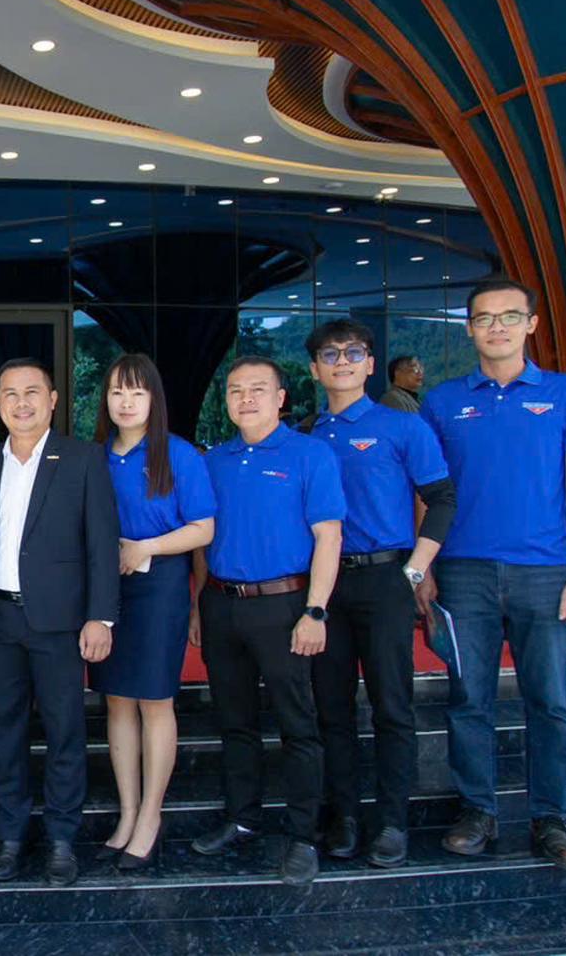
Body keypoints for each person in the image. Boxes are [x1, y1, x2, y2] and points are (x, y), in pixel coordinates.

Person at [419, 279, 566, 873]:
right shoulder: (443, 401)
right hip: (462, 570)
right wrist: (423, 568)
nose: (496, 327)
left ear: (531, 324)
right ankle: (478, 810)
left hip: (545, 571)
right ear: (469, 328)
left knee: (549, 701)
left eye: (509, 316)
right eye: (484, 318)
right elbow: (427, 493)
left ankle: (551, 818)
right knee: (468, 699)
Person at [303, 320, 456, 868]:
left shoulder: (403, 426)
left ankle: (393, 821)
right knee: (332, 707)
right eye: (330, 354)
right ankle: (344, 817)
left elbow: (442, 499)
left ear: (370, 364)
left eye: (353, 352)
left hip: (385, 579)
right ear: (315, 369)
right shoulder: (305, 435)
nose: (342, 361)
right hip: (324, 586)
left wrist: (414, 571)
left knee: (392, 705)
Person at [190, 356, 344, 886]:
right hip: (221, 603)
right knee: (234, 722)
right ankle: (242, 817)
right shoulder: (214, 460)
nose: (246, 398)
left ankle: (302, 835)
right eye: (236, 390)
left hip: (285, 605)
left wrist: (315, 611)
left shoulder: (310, 454)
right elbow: (202, 539)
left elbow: (329, 536)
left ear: (281, 398)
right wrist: (197, 605)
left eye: (258, 389)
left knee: (298, 724)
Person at [0, 358, 119, 888]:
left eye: (32, 392)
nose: (22, 403)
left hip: (60, 623)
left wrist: (100, 616)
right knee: (4, 731)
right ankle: (10, 836)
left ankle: (61, 838)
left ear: (53, 400)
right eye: (10, 394)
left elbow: (102, 544)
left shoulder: (82, 459)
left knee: (65, 731)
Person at [88, 354, 215, 873]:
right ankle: (127, 812)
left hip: (159, 586)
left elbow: (203, 528)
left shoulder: (178, 454)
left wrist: (147, 547)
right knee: (117, 700)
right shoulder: (95, 456)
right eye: (117, 392)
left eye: (137, 392)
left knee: (155, 701)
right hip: (107, 588)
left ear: (153, 399)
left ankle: (151, 816)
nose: (126, 402)